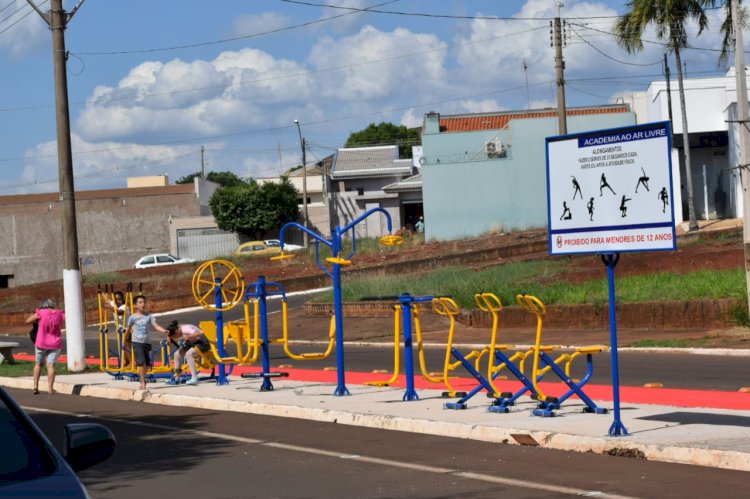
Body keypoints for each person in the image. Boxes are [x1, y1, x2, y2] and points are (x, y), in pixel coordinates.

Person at [125, 295, 170, 390]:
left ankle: (142, 377)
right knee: (142, 363)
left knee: (148, 365)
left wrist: (164, 331)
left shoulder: (149, 316)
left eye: (144, 302)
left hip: (147, 343)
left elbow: (156, 326)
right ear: (135, 305)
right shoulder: (132, 317)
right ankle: (142, 383)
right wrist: (124, 342)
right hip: (137, 343)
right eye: (140, 302)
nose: (143, 304)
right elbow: (128, 330)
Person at [25, 299, 65, 395]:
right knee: (51, 365)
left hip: (41, 343)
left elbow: (28, 320)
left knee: (38, 364)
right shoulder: (59, 313)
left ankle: (35, 386)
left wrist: (37, 318)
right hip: (55, 343)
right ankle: (50, 388)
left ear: (43, 306)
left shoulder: (41, 312)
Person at [167, 321, 210, 385]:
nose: (175, 338)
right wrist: (168, 337)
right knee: (177, 354)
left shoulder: (185, 329)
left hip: (203, 343)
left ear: (176, 332)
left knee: (189, 354)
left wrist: (189, 337)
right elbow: (168, 333)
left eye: (174, 337)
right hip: (194, 344)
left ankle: (194, 378)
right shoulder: (180, 329)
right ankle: (177, 377)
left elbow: (199, 333)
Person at [105, 291, 130, 366]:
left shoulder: (125, 307)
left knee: (126, 345)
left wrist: (110, 307)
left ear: (123, 299)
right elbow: (107, 300)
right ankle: (127, 361)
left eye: (120, 299)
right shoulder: (114, 304)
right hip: (120, 330)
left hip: (127, 329)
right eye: (116, 300)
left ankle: (131, 362)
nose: (118, 301)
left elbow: (119, 312)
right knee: (123, 346)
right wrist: (101, 292)